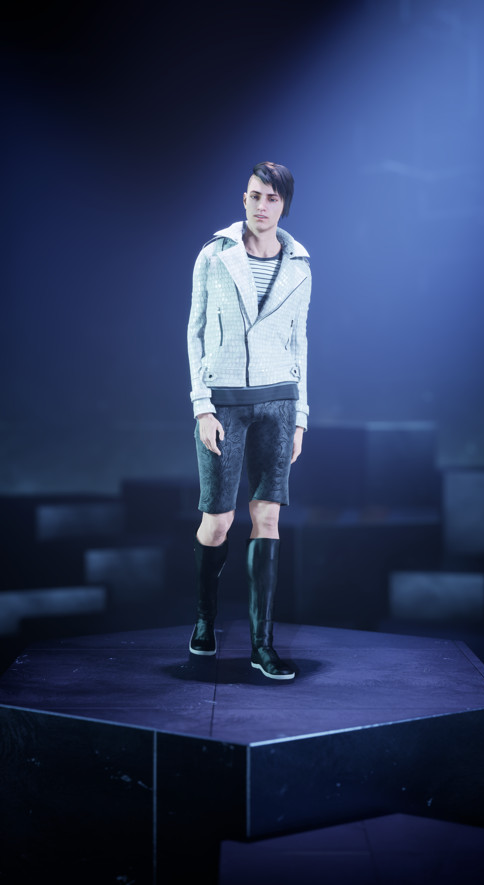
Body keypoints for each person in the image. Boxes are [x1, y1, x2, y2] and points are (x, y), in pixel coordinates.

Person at [187, 161, 311, 680]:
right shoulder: (214, 255)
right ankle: (205, 619)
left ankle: (263, 645)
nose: (262, 206)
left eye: (272, 199)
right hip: (225, 402)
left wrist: (301, 416)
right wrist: (202, 405)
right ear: (244, 199)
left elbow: (300, 342)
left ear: (284, 205)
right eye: (255, 196)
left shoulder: (300, 264)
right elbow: (194, 331)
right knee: (217, 522)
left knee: (268, 519)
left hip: (279, 401)